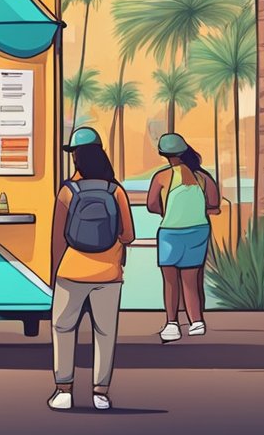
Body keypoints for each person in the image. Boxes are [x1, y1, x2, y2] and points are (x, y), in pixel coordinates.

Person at [49, 141, 135, 412]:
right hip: (108, 274)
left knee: (63, 329)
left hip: (71, 272)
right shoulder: (116, 190)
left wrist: (54, 273)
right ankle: (101, 393)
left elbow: (58, 238)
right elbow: (128, 235)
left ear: (77, 160)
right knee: (105, 333)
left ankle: (64, 391)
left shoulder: (68, 190)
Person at [147, 134, 220, 343]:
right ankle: (196, 321)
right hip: (198, 230)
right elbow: (214, 204)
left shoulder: (161, 177)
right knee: (191, 279)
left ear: (164, 154)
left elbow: (151, 205)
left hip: (170, 231)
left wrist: (167, 212)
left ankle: (172, 324)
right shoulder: (203, 177)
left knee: (170, 281)